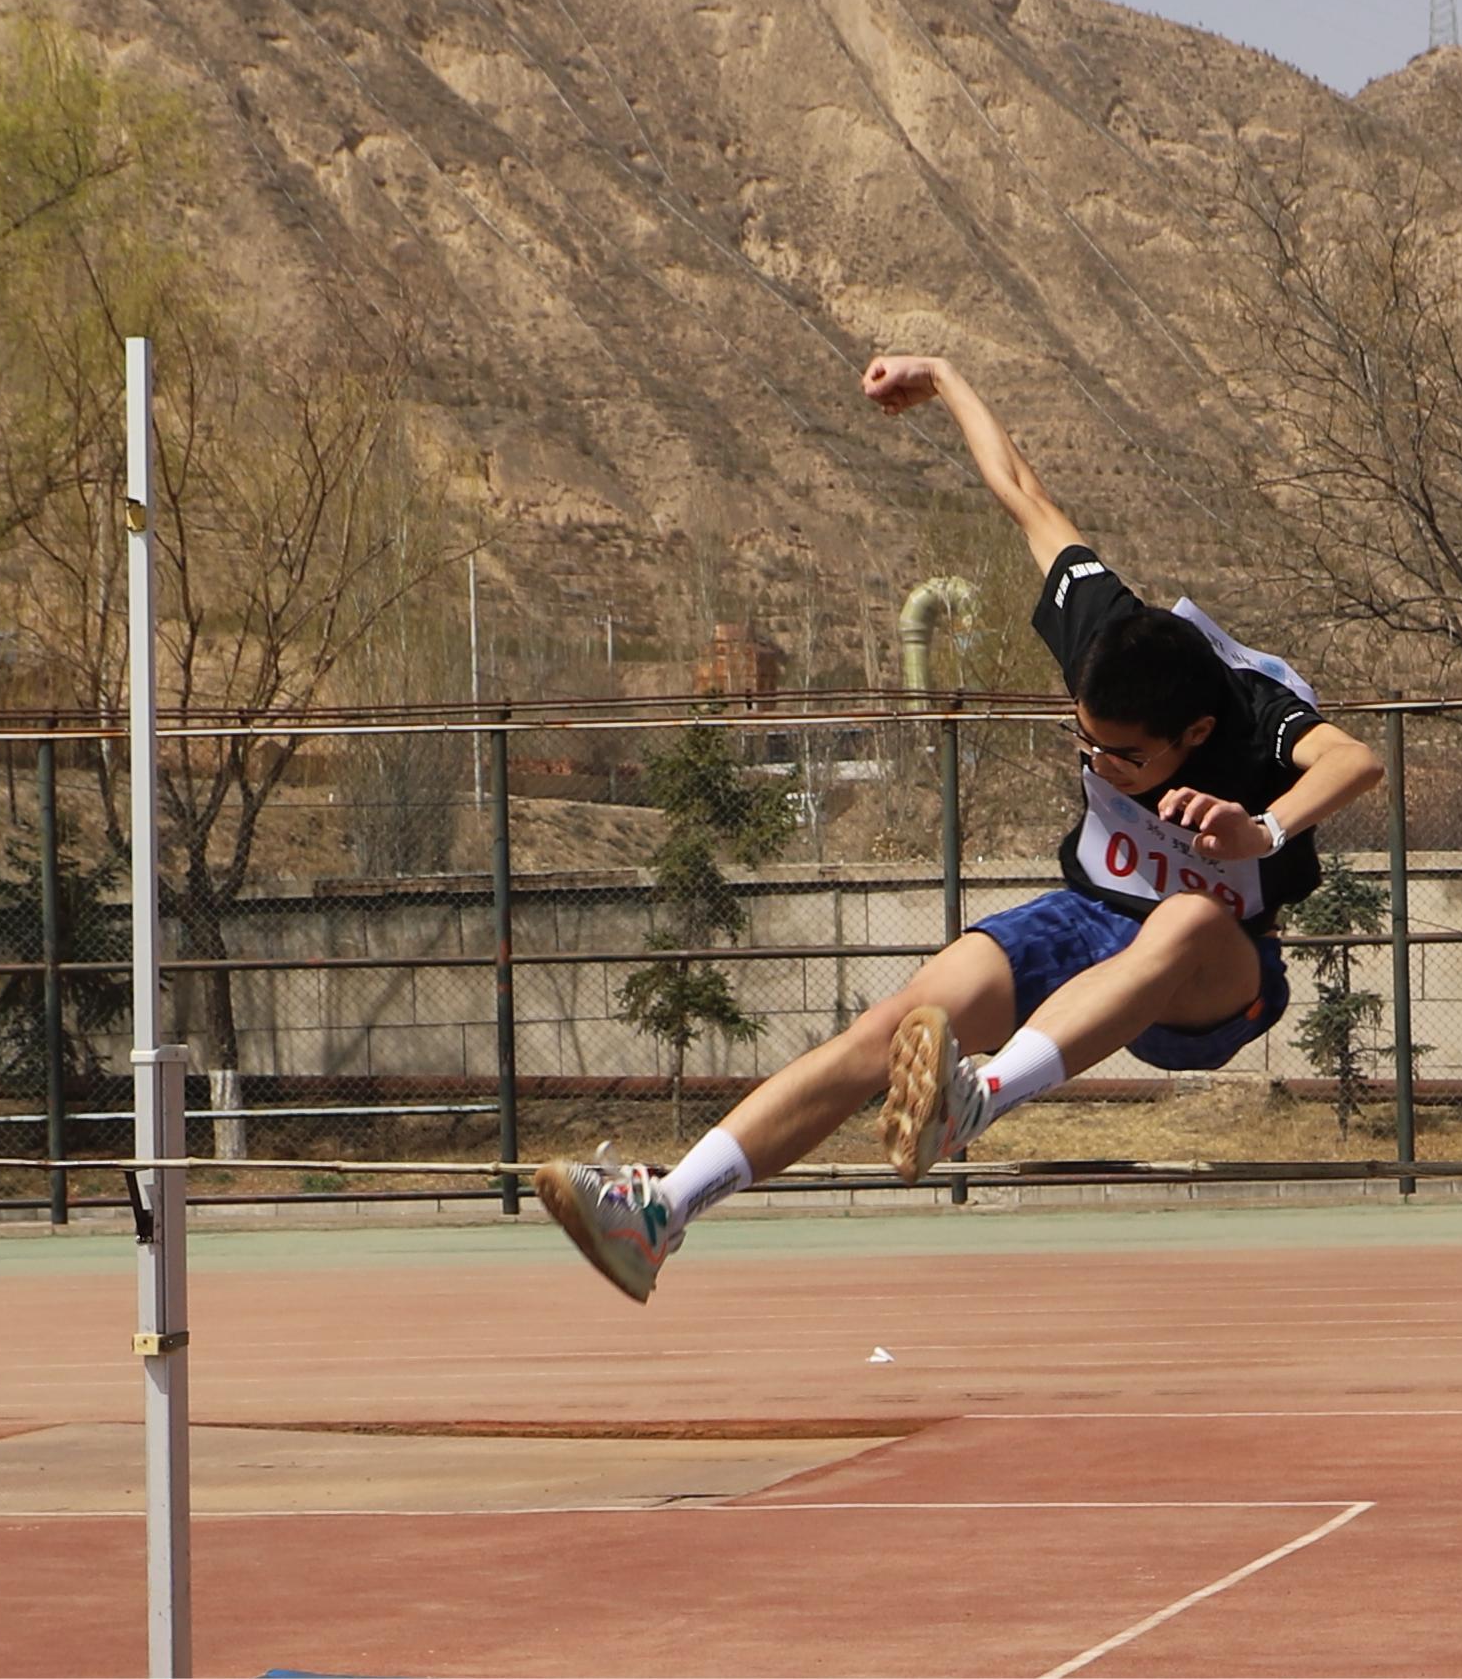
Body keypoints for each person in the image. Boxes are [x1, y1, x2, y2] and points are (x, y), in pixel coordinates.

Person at [536, 354, 1383, 1301]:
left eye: (1127, 759)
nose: (1101, 767)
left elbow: (1356, 761)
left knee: (1184, 918)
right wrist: (941, 378)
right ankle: (663, 1210)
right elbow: (1022, 491)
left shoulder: (1251, 717)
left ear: (1192, 734)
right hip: (1088, 920)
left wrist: (1261, 829)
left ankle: (975, 1099)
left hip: (1214, 977)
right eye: (1085, 743)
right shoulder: (1107, 631)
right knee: (897, 1025)